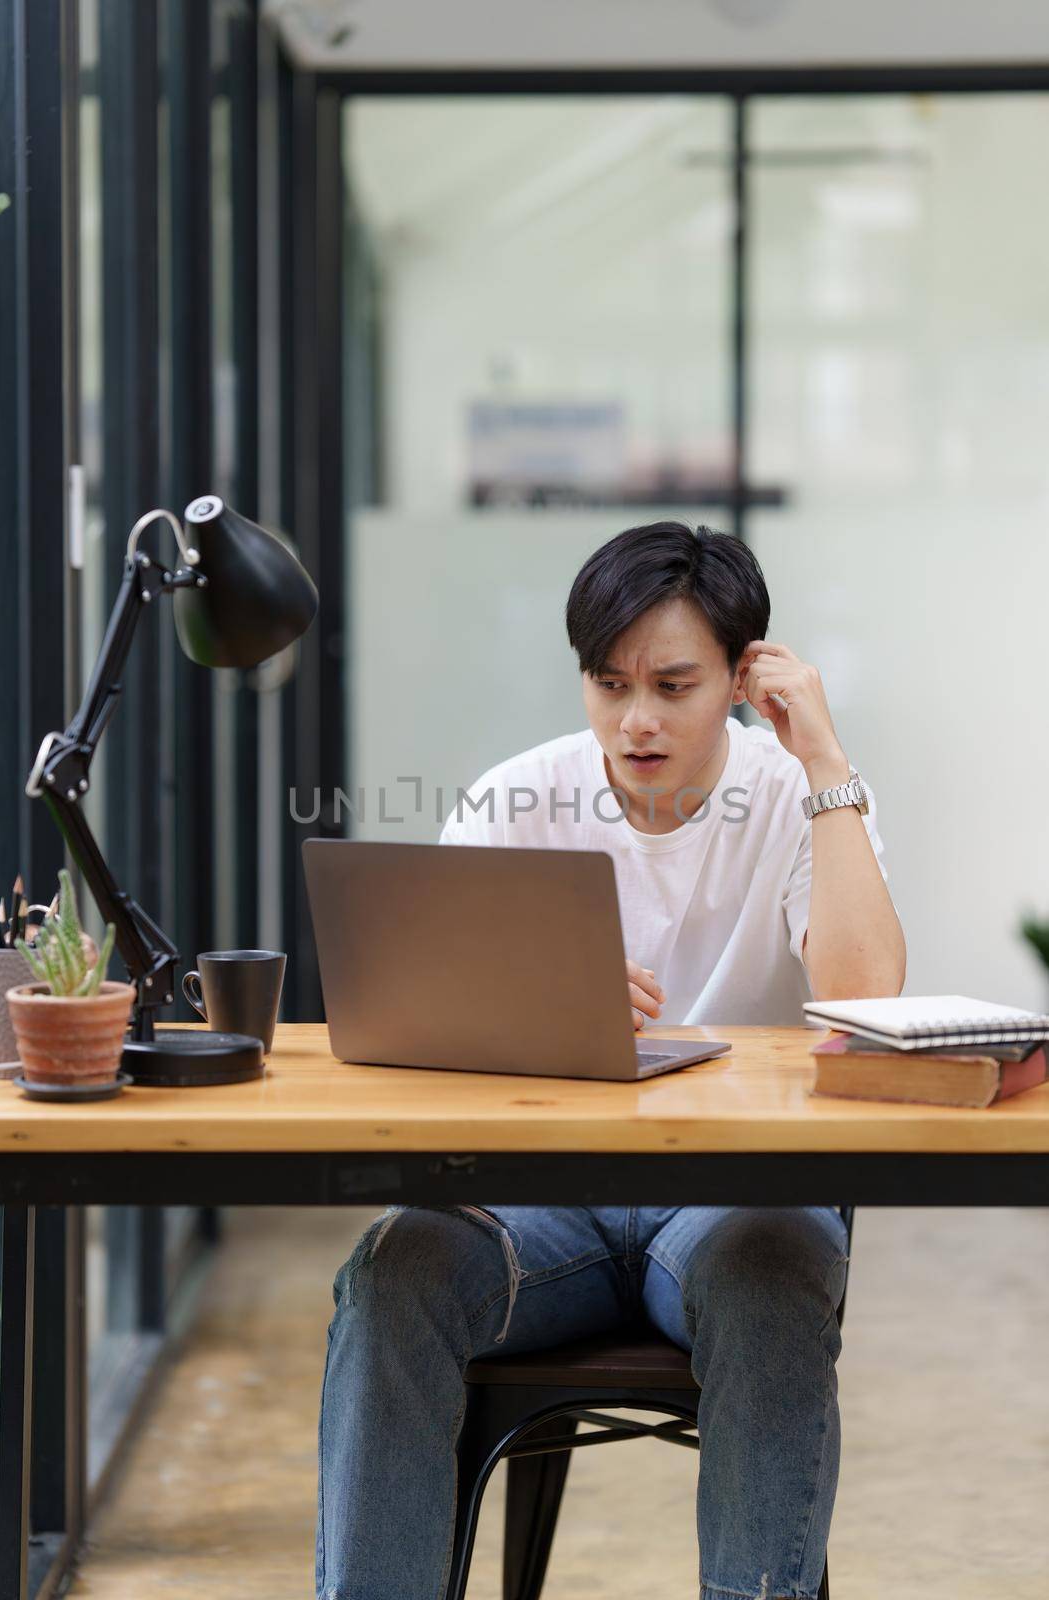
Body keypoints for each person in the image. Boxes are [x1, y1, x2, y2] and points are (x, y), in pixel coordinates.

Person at [316, 522, 905, 1600]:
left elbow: (864, 1003)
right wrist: (528, 1011)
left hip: (737, 1201)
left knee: (770, 1279)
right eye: (607, 682)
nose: (635, 719)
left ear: (740, 673)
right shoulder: (515, 800)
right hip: (539, 1204)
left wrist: (826, 761)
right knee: (394, 1272)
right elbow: (419, 1037)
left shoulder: (799, 797)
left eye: (673, 684)